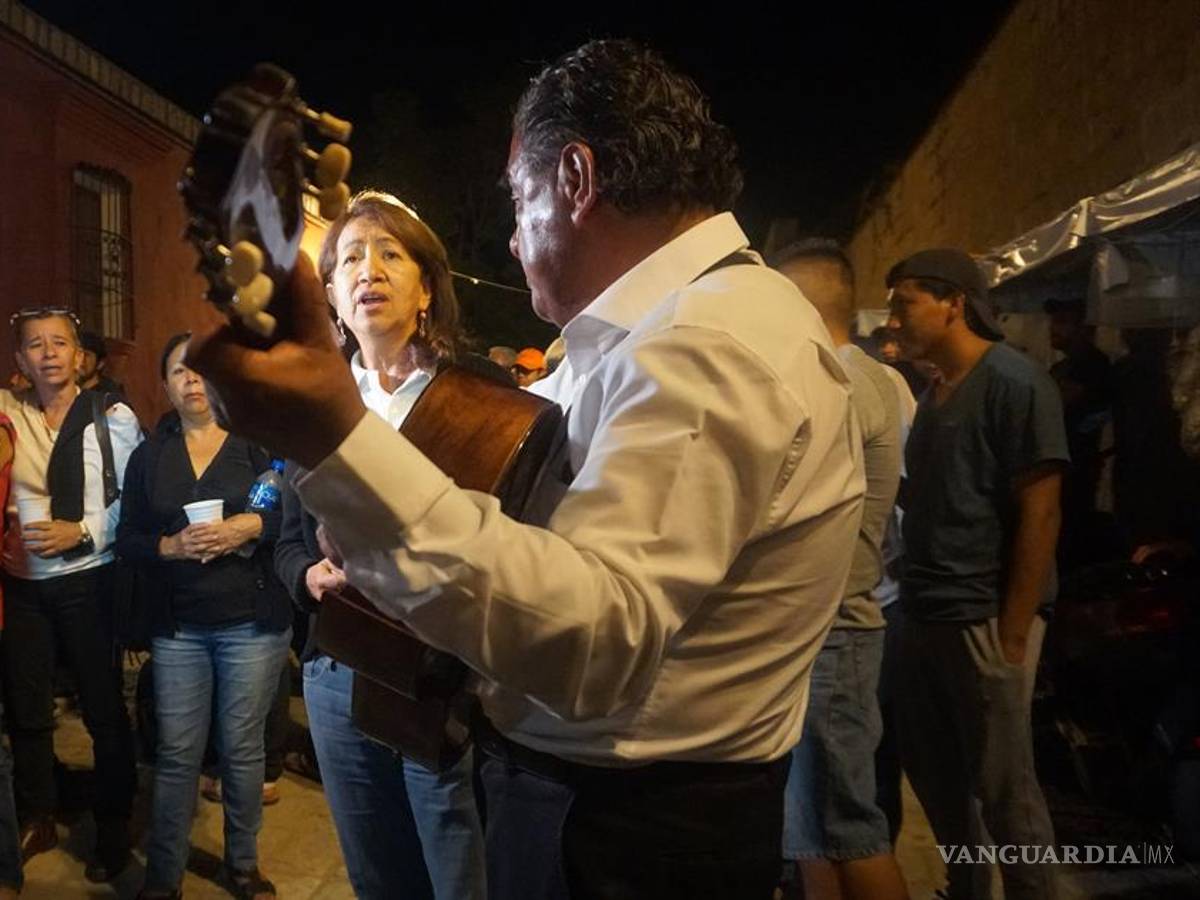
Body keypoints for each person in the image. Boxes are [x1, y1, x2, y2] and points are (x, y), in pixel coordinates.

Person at [191, 39, 863, 900]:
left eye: (519, 199)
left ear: (576, 178)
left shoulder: (706, 347)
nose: (511, 239)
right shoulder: (657, 336)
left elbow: (590, 642)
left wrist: (338, 443)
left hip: (624, 837)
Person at [273, 190, 486, 900]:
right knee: (376, 873)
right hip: (337, 668)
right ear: (332, 293)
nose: (370, 269)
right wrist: (309, 575)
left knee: (458, 868)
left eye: (391, 253)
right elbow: (285, 543)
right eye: (352, 258)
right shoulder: (315, 407)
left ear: (427, 286)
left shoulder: (473, 398)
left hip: (437, 668)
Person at [886, 249, 1066, 900]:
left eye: (904, 301)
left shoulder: (1015, 383)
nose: (893, 318)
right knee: (938, 780)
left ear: (953, 303)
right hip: (923, 610)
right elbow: (939, 495)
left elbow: (1041, 510)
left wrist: (1013, 635)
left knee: (1006, 793)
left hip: (983, 618)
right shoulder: (936, 391)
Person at [117, 333, 292, 900]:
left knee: (241, 749)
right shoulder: (150, 455)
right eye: (178, 371)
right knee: (176, 752)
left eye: (201, 370)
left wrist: (252, 526)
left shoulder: (260, 443)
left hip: (251, 622)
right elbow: (130, 538)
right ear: (165, 385)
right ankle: (163, 876)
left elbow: (295, 517)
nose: (191, 379)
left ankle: (242, 864)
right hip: (179, 629)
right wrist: (169, 547)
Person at [772, 240, 907, 900]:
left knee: (850, 830)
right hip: (823, 633)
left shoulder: (845, 383)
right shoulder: (847, 376)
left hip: (838, 633)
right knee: (812, 835)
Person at [0, 306, 139, 882]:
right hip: (21, 586)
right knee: (27, 709)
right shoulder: (8, 414)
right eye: (36, 345)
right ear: (20, 361)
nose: (49, 353)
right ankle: (38, 813)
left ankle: (113, 829)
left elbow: (133, 499)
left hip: (89, 579)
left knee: (104, 711)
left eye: (61, 343)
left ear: (80, 356)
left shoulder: (112, 417)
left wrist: (79, 530)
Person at [1043, 297, 1113, 567]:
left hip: (1079, 470)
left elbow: (1053, 406)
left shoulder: (1094, 365)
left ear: (1085, 328)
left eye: (1062, 322)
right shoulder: (1060, 367)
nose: (1053, 329)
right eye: (1053, 321)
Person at [78, 331, 126, 400]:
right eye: (77, 354)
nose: (80, 360)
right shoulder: (66, 390)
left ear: (100, 363)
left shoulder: (109, 396)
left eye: (86, 355)